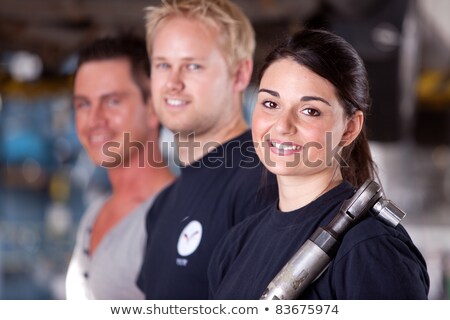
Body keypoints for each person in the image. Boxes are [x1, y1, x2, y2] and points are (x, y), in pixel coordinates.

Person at [208, 29, 430, 299]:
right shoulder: (236, 245)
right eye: (270, 103)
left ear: (350, 128)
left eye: (310, 111)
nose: (282, 125)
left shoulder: (370, 248)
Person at [137, 0, 276, 299]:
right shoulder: (162, 206)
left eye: (192, 66)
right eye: (163, 65)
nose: (172, 83)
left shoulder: (264, 183)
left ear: (239, 75)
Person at [65, 34, 174, 299]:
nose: (93, 120)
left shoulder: (176, 218)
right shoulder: (95, 213)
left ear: (153, 108)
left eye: (112, 101)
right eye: (83, 104)